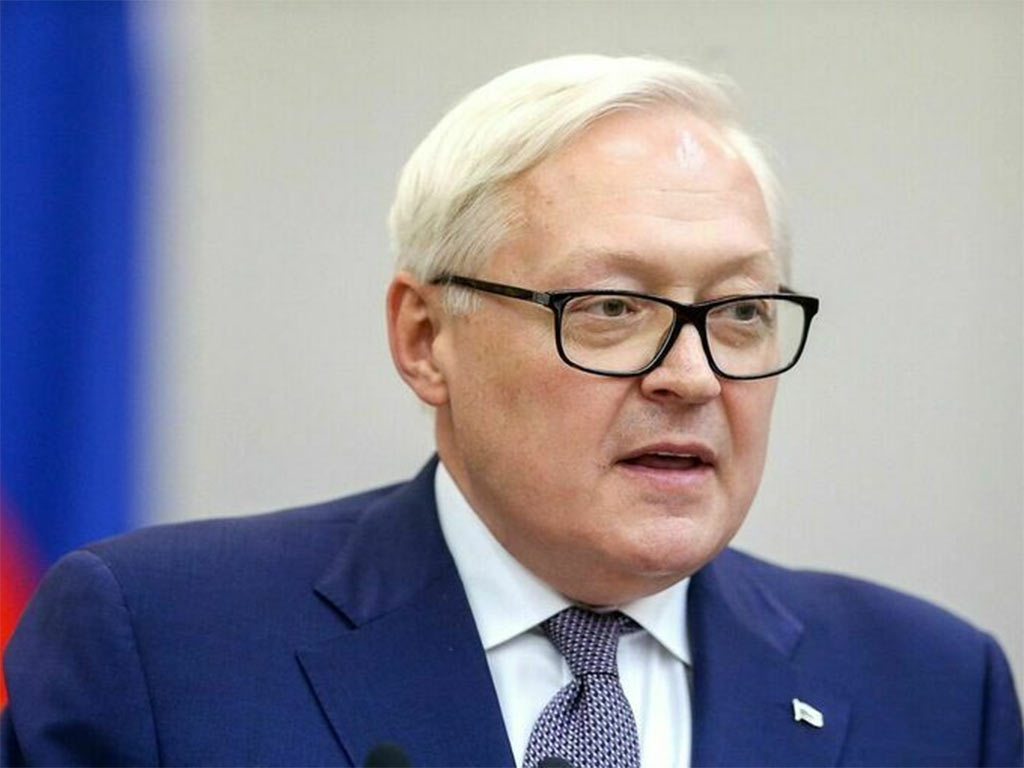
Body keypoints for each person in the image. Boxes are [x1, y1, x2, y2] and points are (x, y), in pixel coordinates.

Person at [2, 54, 1021, 768]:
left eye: (741, 312)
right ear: (425, 339)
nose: (693, 377)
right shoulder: (162, 647)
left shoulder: (934, 690)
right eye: (611, 308)